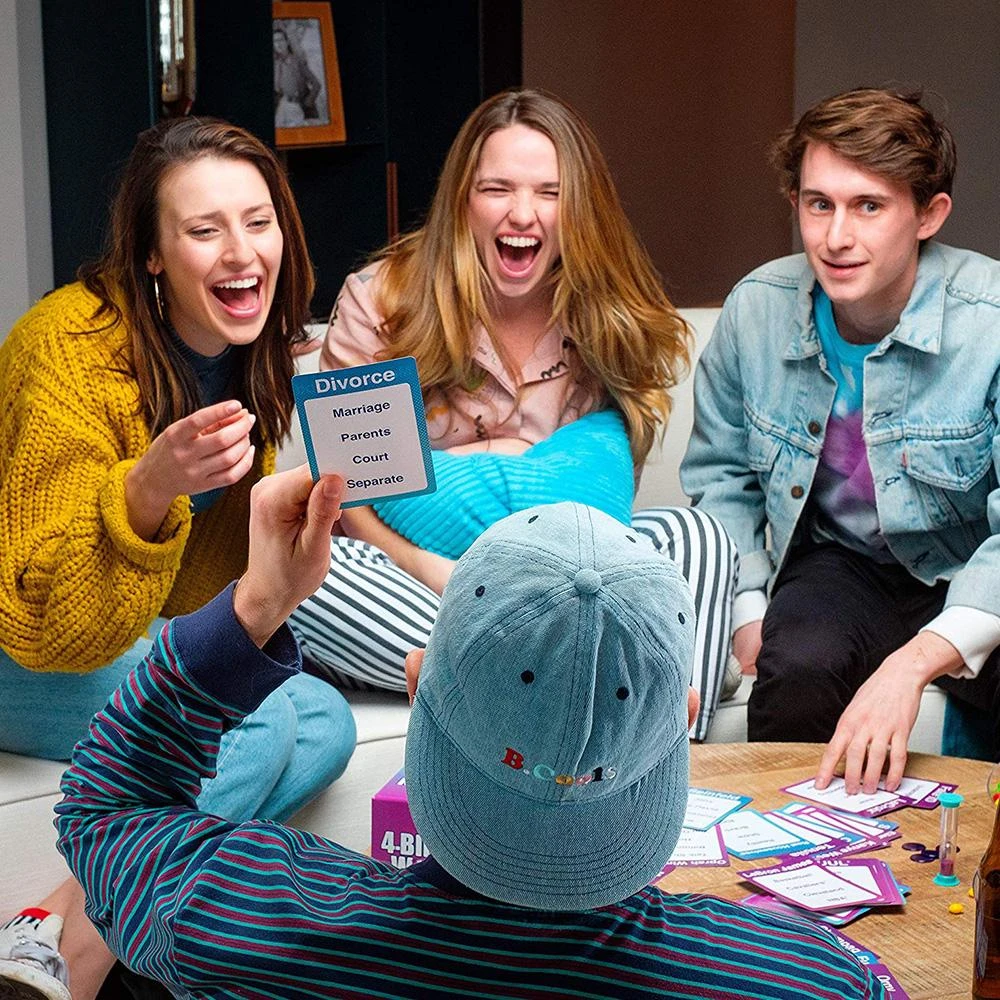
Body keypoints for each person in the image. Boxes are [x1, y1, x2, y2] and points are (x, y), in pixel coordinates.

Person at [52, 465, 886, 998]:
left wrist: (259, 602)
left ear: (418, 682)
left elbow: (104, 808)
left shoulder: (240, 921)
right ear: (685, 714)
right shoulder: (810, 978)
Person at [0, 117, 356, 1000]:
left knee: (322, 718)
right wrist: (145, 491)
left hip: (116, 641)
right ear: (152, 256)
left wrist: (287, 525)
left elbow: (202, 599)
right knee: (254, 723)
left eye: (258, 221)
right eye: (204, 229)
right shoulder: (69, 350)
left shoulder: (252, 357)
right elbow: (47, 627)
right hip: (22, 644)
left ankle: (56, 918)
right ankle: (76, 961)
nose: (241, 251)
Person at [289, 88, 738, 740]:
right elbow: (349, 495)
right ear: (462, 200)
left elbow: (606, 494)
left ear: (578, 206)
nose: (522, 213)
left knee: (698, 536)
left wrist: (466, 461)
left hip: (580, 588)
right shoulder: (381, 298)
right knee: (317, 572)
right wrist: (436, 571)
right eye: (496, 188)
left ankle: (658, 763)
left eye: (549, 193)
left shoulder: (610, 312)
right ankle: (584, 697)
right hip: (421, 577)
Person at [681, 87, 1000, 795]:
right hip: (842, 563)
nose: (835, 237)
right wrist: (747, 611)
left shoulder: (991, 320)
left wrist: (913, 663)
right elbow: (721, 476)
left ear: (929, 214)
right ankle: (781, 851)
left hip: (970, 559)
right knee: (797, 666)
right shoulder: (758, 309)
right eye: (819, 204)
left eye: (869, 206)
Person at [273, 24, 322, 125]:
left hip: (303, 108)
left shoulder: (297, 61)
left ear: (287, 42)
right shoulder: (276, 64)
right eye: (275, 41)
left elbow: (316, 84)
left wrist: (308, 102)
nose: (278, 44)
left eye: (280, 40)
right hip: (286, 109)